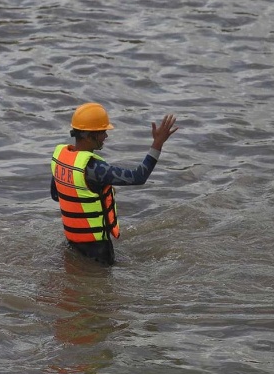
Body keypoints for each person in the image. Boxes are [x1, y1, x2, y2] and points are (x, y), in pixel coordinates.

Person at [50, 103, 179, 265]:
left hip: (72, 243)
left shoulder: (61, 159)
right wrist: (158, 143)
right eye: (102, 132)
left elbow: (56, 195)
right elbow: (138, 176)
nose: (106, 136)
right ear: (89, 136)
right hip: (98, 251)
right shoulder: (95, 169)